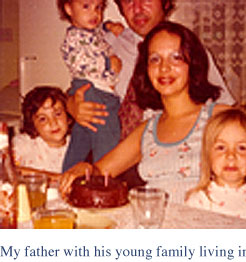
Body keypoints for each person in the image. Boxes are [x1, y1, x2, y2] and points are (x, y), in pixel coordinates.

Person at [60, 21, 230, 203]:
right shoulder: (148, 129)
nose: (164, 68)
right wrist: (84, 168)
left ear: (193, 64)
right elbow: (100, 171)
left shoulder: (219, 117)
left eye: (176, 57)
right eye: (155, 59)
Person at [68, 0, 235, 139]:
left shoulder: (190, 50)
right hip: (111, 151)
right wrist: (72, 106)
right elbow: (77, 89)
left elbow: (227, 112)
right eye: (128, 0)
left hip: (171, 152)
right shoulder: (103, 45)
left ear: (165, 2)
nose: (138, 8)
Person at [57, 0, 124, 172]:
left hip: (92, 89)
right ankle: (106, 182)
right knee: (107, 137)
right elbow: (80, 62)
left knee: (82, 138)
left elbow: (100, 33)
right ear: (69, 8)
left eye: (98, 7)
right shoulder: (74, 37)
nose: (94, 13)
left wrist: (108, 25)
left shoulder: (90, 31)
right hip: (93, 90)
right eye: (86, 6)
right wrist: (109, 64)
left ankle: (67, 175)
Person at [185, 108, 246, 222]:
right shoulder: (198, 202)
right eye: (221, 147)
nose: (231, 156)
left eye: (242, 148)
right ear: (208, 157)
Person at [13, 86, 72, 175]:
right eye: (43, 119)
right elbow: (8, 169)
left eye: (58, 114)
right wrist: (55, 178)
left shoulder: (77, 146)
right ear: (32, 124)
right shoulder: (24, 143)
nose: (53, 123)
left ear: (68, 115)